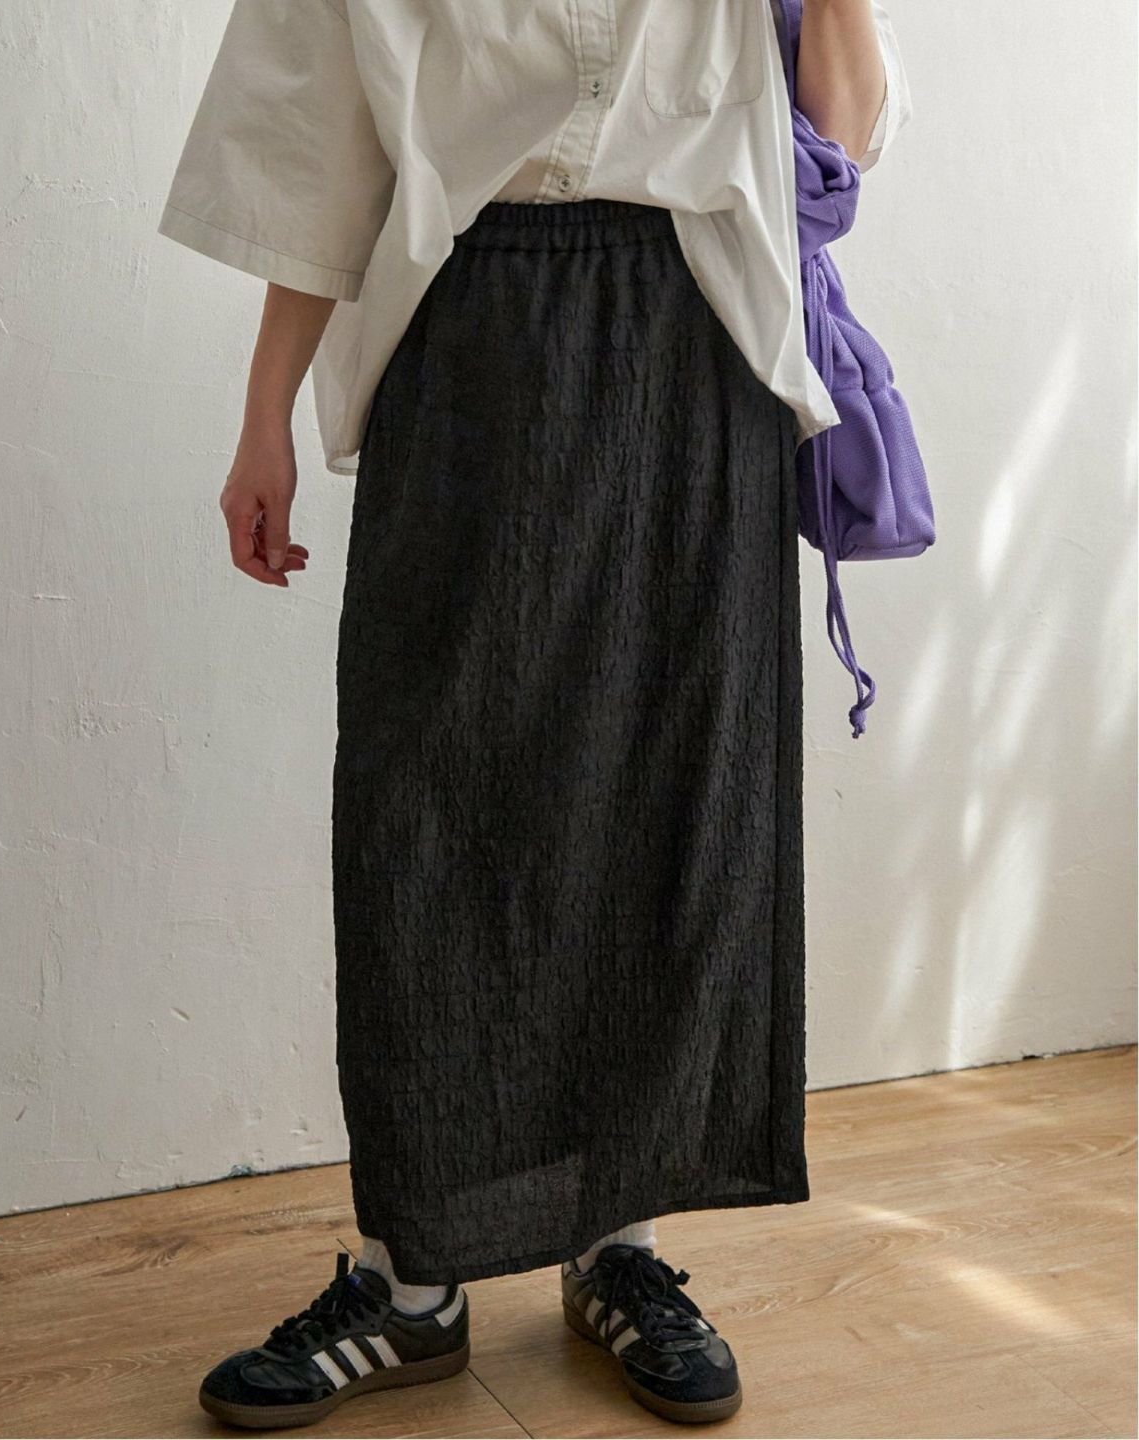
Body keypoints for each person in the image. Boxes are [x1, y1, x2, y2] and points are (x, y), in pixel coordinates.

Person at [157, 0, 911, 1427]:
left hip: (698, 344)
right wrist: (263, 421)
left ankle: (619, 1245)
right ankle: (411, 1278)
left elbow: (845, 128)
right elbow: (314, 154)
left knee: (665, 793)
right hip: (466, 335)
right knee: (425, 810)